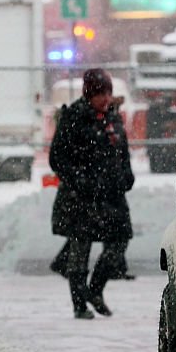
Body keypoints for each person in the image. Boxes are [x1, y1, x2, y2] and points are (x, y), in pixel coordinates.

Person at [49, 68, 134, 319]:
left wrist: (126, 175)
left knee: (119, 241)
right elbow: (58, 158)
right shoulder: (74, 116)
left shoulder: (113, 118)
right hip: (80, 196)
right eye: (99, 93)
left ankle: (95, 290)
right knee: (80, 249)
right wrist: (80, 180)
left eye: (108, 93)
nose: (105, 98)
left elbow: (123, 151)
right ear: (89, 94)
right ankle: (79, 304)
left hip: (111, 193)